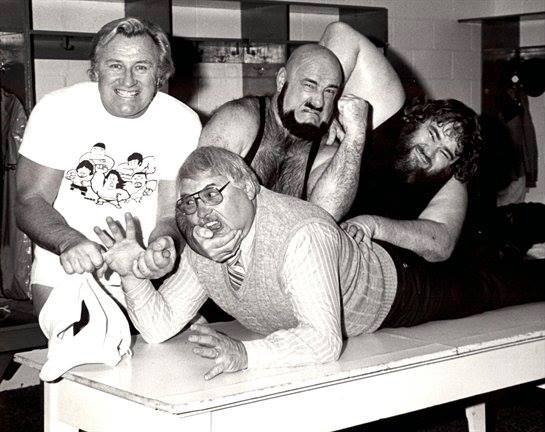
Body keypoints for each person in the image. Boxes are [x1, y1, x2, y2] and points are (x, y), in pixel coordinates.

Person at [95, 147, 544, 380]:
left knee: (494, 284)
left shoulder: (301, 232)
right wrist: (132, 273)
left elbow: (322, 341)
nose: (202, 215)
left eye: (215, 194)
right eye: (190, 203)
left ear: (250, 187)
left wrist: (245, 354)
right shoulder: (204, 243)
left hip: (398, 287)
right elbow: (157, 327)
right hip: (364, 285)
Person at [16, 17, 202, 314]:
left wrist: (163, 244)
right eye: (115, 65)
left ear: (160, 74)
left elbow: (170, 213)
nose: (128, 80)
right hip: (67, 273)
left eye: (141, 67)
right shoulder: (57, 110)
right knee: (86, 352)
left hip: (143, 276)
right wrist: (69, 241)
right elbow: (29, 201)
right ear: (96, 69)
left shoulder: (182, 121)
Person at [194, 22, 404, 262]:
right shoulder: (240, 119)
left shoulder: (325, 150)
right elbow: (198, 195)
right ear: (282, 80)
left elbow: (323, 217)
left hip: (275, 263)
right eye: (309, 85)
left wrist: (355, 136)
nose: (318, 101)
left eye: (329, 92)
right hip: (216, 252)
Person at [342, 98, 482, 262]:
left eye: (444, 153)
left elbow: (442, 244)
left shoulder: (451, 178)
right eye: (432, 135)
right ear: (418, 119)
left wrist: (373, 226)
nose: (429, 152)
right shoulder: (382, 123)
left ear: (453, 163)